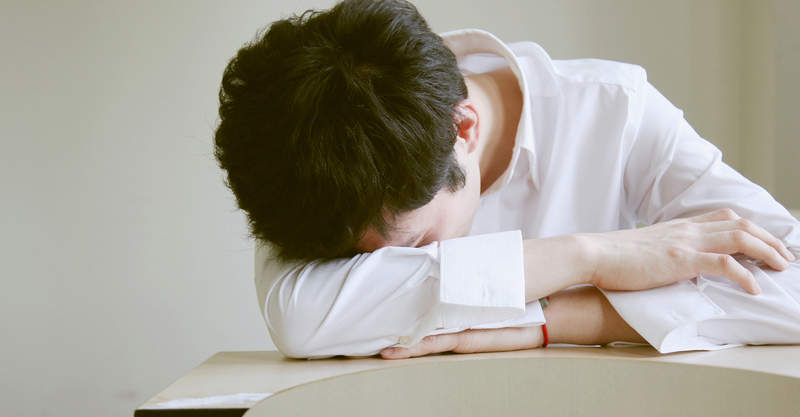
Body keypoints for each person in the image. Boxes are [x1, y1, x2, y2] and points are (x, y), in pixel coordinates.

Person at [214, 0, 800, 359]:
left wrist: (556, 321)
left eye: (410, 247)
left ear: (462, 129)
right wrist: (590, 256)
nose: (392, 267)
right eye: (358, 263)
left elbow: (793, 288)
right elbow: (299, 317)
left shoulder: (615, 112)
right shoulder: (303, 144)